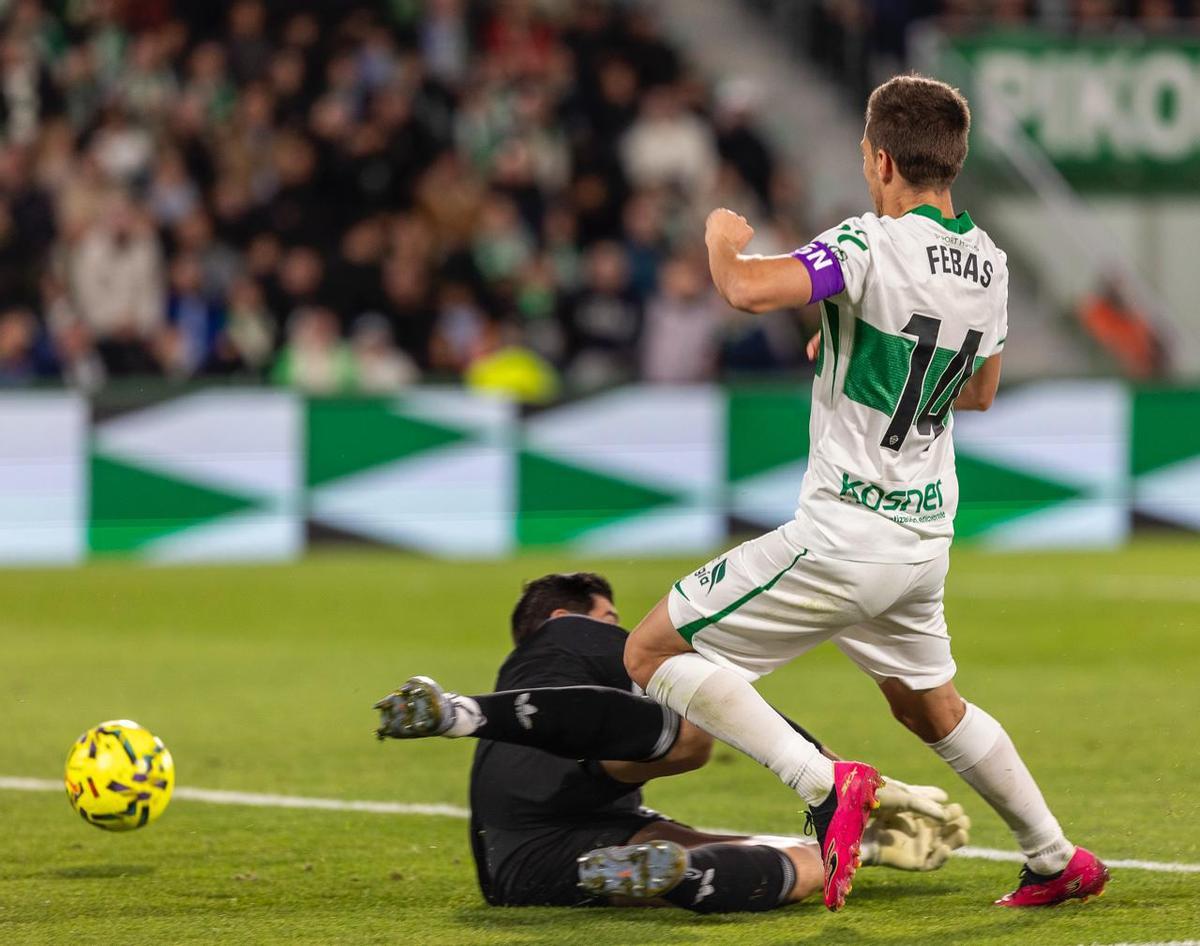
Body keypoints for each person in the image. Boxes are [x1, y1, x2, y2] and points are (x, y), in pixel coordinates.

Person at [621, 74, 1109, 912]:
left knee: (653, 653)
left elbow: (744, 290)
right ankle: (1056, 856)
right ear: (951, 162)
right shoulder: (988, 263)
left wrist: (719, 236)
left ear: (880, 159)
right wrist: (853, 357)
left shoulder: (867, 243)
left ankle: (823, 784)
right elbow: (978, 390)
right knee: (933, 710)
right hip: (921, 539)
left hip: (846, 533)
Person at [374, 572, 969, 913]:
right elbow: (719, 695)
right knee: (691, 728)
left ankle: (682, 873)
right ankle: (459, 712)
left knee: (695, 848)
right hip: (549, 772)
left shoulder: (536, 665)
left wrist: (866, 841)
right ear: (565, 617)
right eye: (611, 618)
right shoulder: (568, 635)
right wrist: (832, 772)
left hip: (516, 864)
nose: (620, 631)